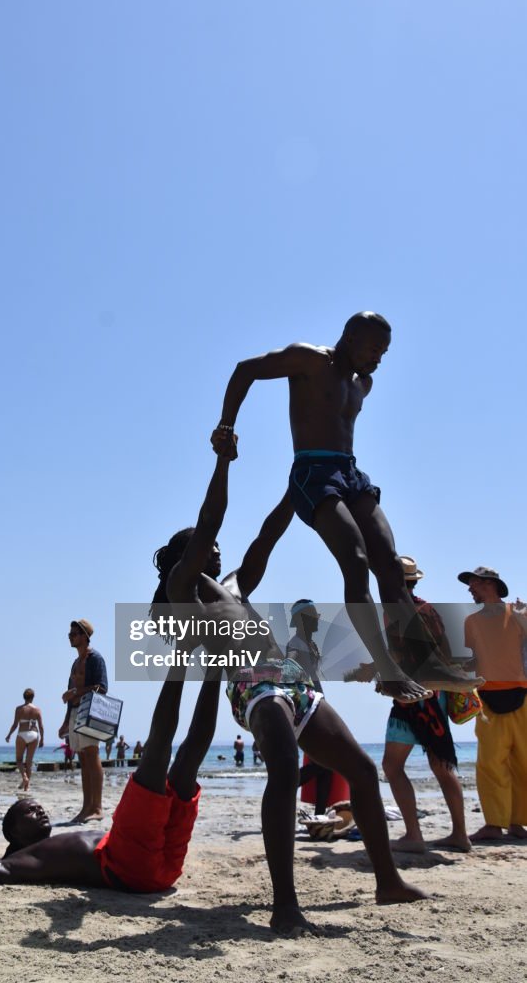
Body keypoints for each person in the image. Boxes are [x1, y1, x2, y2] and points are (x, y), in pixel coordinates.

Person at [154, 432, 426, 935]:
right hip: (252, 687)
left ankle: (387, 881)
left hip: (292, 679)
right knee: (282, 773)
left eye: (214, 546)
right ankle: (285, 905)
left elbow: (267, 537)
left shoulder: (235, 585)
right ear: (186, 554)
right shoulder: (181, 589)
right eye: (204, 545)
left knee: (363, 772)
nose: (215, 548)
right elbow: (212, 517)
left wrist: (294, 489)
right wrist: (223, 463)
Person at [212, 312, 482, 700]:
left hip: (350, 473)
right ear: (350, 337)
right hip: (312, 472)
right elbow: (245, 370)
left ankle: (426, 661)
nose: (378, 360)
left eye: (384, 353)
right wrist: (226, 426)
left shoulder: (363, 384)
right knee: (355, 562)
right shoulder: (308, 360)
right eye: (374, 349)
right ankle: (388, 671)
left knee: (389, 564)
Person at [0, 662, 222, 890]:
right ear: (14, 833)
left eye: (37, 807)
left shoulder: (41, 849)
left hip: (163, 867)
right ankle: (181, 655)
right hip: (129, 862)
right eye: (28, 811)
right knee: (157, 749)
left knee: (188, 758)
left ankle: (215, 664)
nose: (38, 810)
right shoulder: (22, 860)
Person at [380, 557, 471, 852]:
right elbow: (445, 653)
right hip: (433, 693)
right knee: (440, 764)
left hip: (415, 696)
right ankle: (459, 834)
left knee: (394, 766)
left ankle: (414, 835)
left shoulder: (400, 613)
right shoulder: (427, 609)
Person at [458, 566, 527, 842]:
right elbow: (473, 659)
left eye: (473, 583)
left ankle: (517, 823)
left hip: (522, 695)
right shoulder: (471, 622)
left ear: (490, 584)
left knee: (522, 762)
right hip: (486, 698)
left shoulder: (519, 614)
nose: (470, 589)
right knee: (490, 762)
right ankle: (494, 824)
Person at [288, 600, 346, 816]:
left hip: (317, 704)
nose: (317, 620)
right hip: (306, 708)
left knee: (325, 763)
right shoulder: (296, 644)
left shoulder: (309, 644)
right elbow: (289, 667)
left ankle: (320, 815)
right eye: (313, 616)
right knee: (323, 763)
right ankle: (282, 788)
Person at [59, 619, 108, 823]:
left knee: (92, 754)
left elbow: (102, 687)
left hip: (90, 711)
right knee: (83, 759)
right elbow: (72, 695)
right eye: (70, 634)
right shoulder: (76, 662)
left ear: (84, 636)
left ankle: (97, 807)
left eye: (74, 634)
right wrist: (65, 722)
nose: (71, 637)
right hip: (75, 712)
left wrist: (76, 692)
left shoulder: (95, 658)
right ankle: (86, 807)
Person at [5, 689, 44, 792]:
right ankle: (27, 787)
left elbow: (15, 724)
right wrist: (42, 739)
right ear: (33, 697)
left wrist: (9, 735)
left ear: (24, 697)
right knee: (29, 762)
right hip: (34, 734)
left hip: (22, 734)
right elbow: (41, 726)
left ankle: (24, 778)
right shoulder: (37, 710)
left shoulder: (19, 709)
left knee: (19, 760)